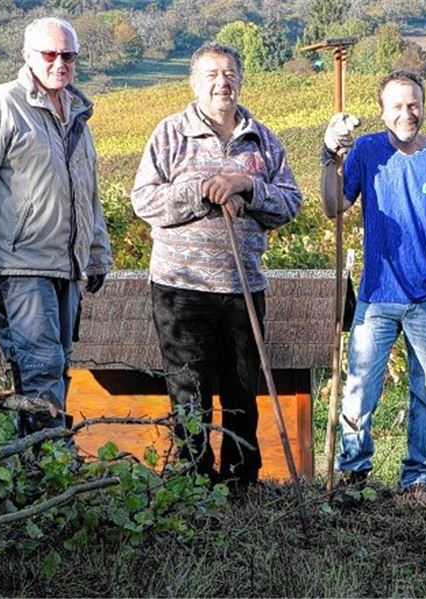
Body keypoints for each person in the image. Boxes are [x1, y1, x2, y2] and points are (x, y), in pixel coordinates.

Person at [131, 42, 302, 487]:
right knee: (190, 392)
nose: (221, 82)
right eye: (211, 74)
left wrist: (248, 186)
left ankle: (240, 481)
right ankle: (193, 482)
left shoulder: (262, 139)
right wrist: (201, 190)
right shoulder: (170, 134)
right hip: (180, 288)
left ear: (241, 80)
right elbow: (144, 201)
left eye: (229, 73)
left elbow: (290, 204)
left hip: (243, 285)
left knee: (243, 389)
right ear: (194, 83)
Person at [321, 69, 426, 505]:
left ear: (423, 106)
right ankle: (352, 474)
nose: (407, 113)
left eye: (413, 105)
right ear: (382, 112)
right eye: (397, 106)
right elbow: (335, 205)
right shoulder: (366, 150)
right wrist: (328, 153)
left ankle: (418, 479)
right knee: (359, 388)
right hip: (376, 295)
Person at [0, 17, 112, 432]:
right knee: (41, 367)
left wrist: (97, 254)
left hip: (67, 266)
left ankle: (42, 465)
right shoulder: (1, 106)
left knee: (57, 367)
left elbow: (89, 191)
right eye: (49, 54)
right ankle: (50, 463)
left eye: (68, 55)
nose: (59, 62)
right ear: (27, 56)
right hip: (20, 265)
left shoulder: (77, 115)